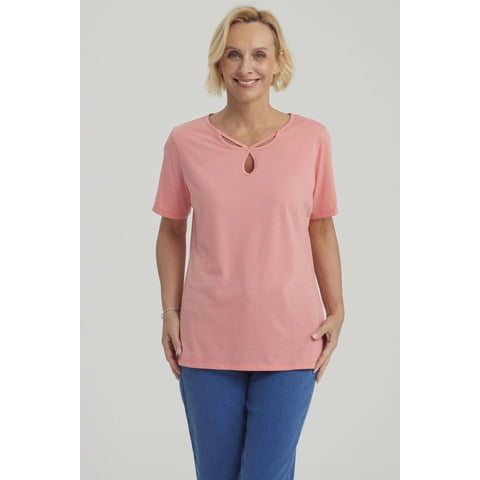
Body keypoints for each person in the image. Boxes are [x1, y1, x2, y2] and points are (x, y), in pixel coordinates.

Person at [152, 5, 344, 479]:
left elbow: (321, 227)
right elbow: (172, 230)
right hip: (206, 339)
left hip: (291, 337)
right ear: (219, 63)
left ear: (278, 61)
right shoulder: (184, 141)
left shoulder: (312, 139)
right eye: (233, 54)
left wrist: (337, 309)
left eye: (259, 54)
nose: (246, 67)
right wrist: (170, 311)